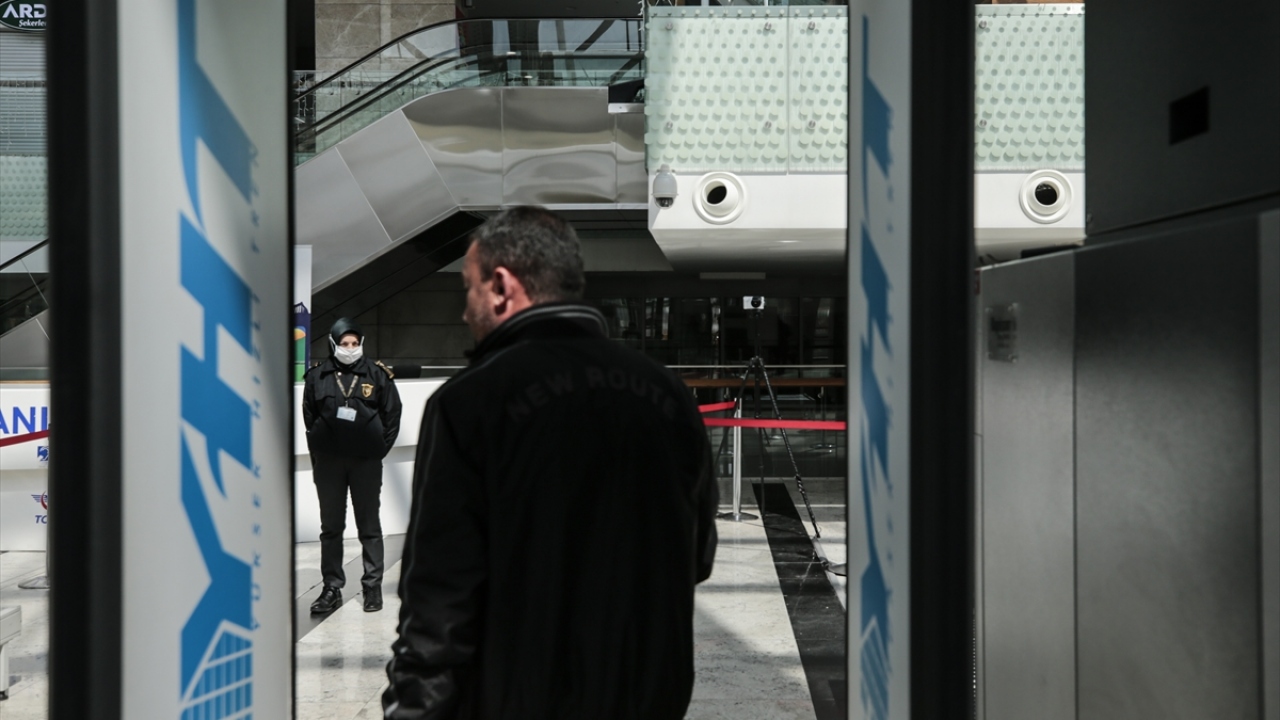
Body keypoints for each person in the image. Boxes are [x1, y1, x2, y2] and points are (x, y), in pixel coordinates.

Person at [383, 207, 718, 719]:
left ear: (500, 286)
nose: (464, 311)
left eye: (467, 289)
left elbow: (439, 601)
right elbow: (697, 557)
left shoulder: (469, 403)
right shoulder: (668, 394)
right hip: (649, 695)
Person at [303, 317, 402, 614]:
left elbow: (392, 416)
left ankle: (372, 587)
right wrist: (321, 452)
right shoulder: (318, 376)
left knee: (369, 526)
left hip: (365, 464)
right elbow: (309, 417)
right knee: (330, 528)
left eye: (354, 343)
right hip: (329, 464)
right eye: (344, 344)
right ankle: (331, 587)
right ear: (333, 344)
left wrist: (377, 450)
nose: (350, 348)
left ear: (361, 344)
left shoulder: (378, 374)